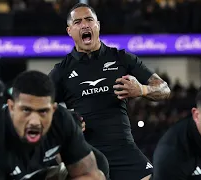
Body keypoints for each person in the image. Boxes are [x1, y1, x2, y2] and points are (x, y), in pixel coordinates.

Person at [49, 3, 170, 180]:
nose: (85, 25)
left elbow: (164, 89)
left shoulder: (121, 58)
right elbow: (41, 107)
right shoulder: (61, 71)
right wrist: (66, 118)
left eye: (89, 20)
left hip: (123, 150)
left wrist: (142, 89)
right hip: (86, 154)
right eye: (78, 22)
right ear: (69, 31)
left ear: (98, 25)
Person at [0, 71, 105, 180]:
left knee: (100, 164)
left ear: (53, 109)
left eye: (43, 112)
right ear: (12, 107)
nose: (34, 121)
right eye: (26, 110)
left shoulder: (62, 121)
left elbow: (89, 174)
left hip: (32, 171)